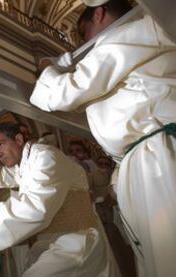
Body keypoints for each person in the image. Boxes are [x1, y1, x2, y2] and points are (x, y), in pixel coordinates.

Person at [30, 0, 176, 275]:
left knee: (169, 254)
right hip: (153, 155)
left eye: (85, 35)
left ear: (99, 13)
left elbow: (63, 93)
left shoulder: (125, 35)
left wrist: (49, 68)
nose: (88, 44)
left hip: (158, 160)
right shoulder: (145, 34)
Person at [0, 123, 119, 276]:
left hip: (77, 242)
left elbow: (36, 207)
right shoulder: (24, 165)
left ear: (18, 140)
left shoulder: (45, 157)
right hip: (54, 243)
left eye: (0, 144)